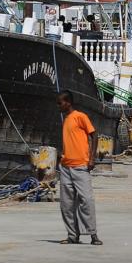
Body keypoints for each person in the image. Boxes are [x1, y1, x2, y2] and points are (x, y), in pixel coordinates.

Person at [56, 90, 101, 245]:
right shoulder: (66, 119)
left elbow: (94, 135)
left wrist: (92, 158)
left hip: (81, 166)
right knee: (66, 204)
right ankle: (72, 235)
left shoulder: (80, 117)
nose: (58, 106)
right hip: (66, 168)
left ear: (68, 102)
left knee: (86, 200)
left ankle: (93, 234)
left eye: (60, 103)